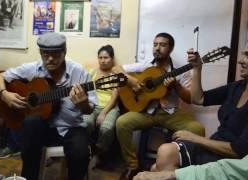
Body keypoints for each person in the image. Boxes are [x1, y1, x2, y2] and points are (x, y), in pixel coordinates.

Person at [0, 32, 97, 180]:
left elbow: (90, 109)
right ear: (40, 52)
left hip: (71, 127)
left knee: (81, 154)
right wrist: (4, 94)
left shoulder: (79, 72)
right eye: (45, 54)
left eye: (55, 54)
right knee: (30, 126)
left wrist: (83, 104)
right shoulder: (33, 68)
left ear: (64, 51)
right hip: (42, 128)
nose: (50, 59)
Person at [114, 33, 205, 180]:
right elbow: (116, 68)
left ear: (171, 48)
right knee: (121, 123)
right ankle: (132, 165)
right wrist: (131, 81)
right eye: (155, 44)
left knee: (197, 129)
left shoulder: (181, 70)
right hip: (147, 112)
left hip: (170, 113)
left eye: (162, 45)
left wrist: (176, 85)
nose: (157, 48)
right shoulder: (146, 65)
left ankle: (183, 169)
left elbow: (190, 99)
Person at [150, 48, 248, 172]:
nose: (240, 61)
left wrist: (195, 138)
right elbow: (199, 99)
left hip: (231, 160)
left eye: (247, 56)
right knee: (163, 156)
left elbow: (239, 151)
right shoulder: (237, 87)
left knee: (157, 167)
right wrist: (197, 68)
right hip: (214, 146)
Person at [83, 45, 120, 167]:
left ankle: (99, 154)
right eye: (100, 57)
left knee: (106, 128)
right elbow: (86, 92)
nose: (103, 60)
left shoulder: (116, 74)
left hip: (110, 107)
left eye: (106, 57)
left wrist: (104, 112)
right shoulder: (92, 72)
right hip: (93, 105)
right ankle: (84, 151)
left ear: (112, 58)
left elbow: (114, 97)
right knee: (85, 123)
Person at [133, 155, 248, 180]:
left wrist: (193, 137)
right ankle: (132, 166)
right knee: (156, 166)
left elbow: (236, 149)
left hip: (229, 154)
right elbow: (200, 99)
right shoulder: (234, 91)